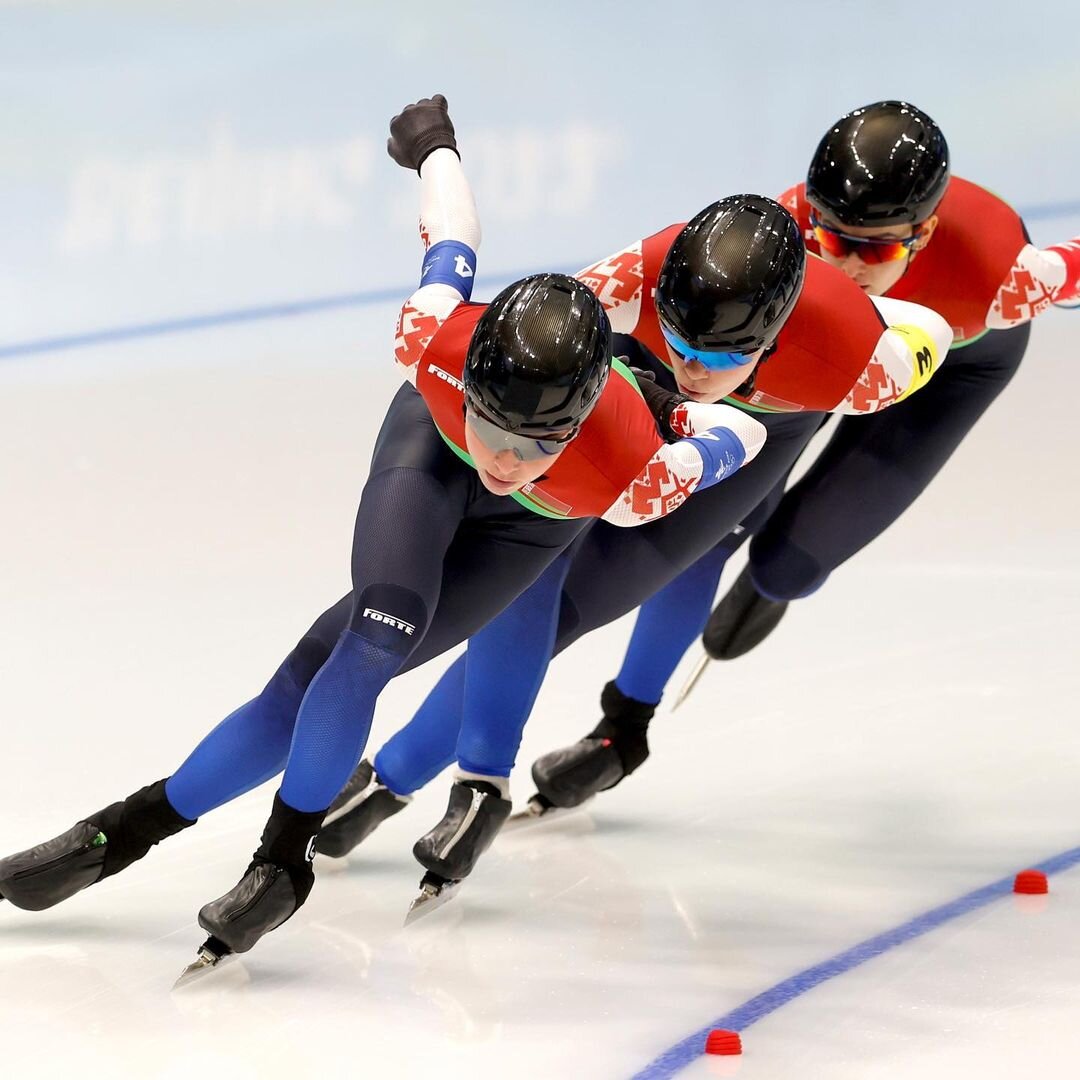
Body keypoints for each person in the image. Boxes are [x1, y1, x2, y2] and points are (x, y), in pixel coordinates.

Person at [0, 98, 767, 968]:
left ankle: (249, 853)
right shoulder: (433, 340)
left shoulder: (626, 459)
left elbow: (741, 431)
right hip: (428, 460)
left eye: (538, 442)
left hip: (532, 532)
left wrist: (686, 463)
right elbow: (453, 234)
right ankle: (167, 838)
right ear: (466, 378)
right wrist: (434, 146)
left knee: (329, 672)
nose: (508, 460)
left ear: (585, 423)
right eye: (497, 427)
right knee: (360, 646)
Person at [316, 177, 954, 904]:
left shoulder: (865, 365)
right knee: (528, 586)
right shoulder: (636, 275)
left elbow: (932, 330)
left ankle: (578, 739)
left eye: (721, 357)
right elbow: (534, 338)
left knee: (591, 600)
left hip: (747, 449)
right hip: (634, 410)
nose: (695, 367)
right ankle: (437, 781)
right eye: (680, 337)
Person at [518, 100, 1080, 818]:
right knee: (707, 533)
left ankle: (771, 580)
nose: (843, 261)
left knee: (790, 561)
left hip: (947, 372)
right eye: (829, 236)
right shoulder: (779, 240)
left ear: (925, 233)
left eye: (872, 250)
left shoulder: (1006, 277)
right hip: (826, 358)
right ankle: (623, 729)